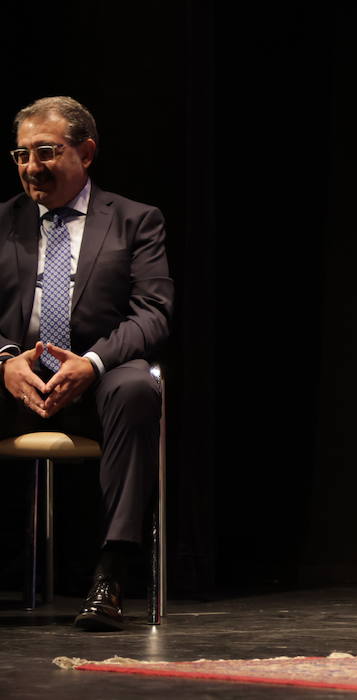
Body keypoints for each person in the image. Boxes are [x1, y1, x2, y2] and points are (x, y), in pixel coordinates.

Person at [0, 97, 172, 630]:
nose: (32, 167)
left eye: (46, 151)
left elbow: (154, 314)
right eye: (22, 154)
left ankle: (111, 574)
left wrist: (93, 362)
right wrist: (5, 359)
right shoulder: (3, 222)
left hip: (99, 379)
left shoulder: (135, 221)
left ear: (87, 152)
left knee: (137, 387)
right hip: (16, 378)